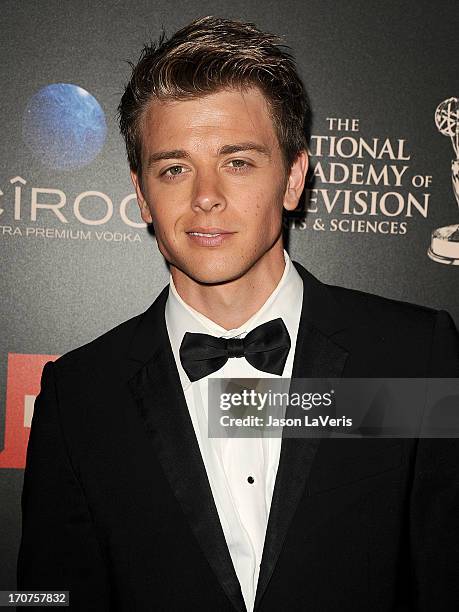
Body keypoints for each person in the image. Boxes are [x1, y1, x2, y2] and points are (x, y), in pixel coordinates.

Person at [17, 15, 459, 612]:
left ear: (294, 177)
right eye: (174, 168)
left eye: (238, 161)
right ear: (142, 194)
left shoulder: (412, 356)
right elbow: (50, 598)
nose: (206, 196)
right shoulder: (78, 396)